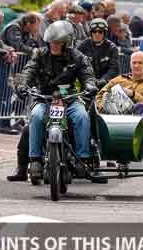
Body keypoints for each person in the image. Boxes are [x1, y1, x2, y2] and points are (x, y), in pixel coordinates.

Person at [9, 21, 97, 183]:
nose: (54, 46)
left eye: (58, 43)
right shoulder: (40, 54)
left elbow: (87, 74)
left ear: (66, 43)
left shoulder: (77, 56)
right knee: (35, 116)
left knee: (82, 116)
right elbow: (29, 70)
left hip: (69, 99)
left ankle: (82, 158)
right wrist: (22, 84)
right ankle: (35, 159)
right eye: (51, 42)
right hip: (45, 98)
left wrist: (90, 85)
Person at [77, 18, 120, 90]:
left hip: (105, 86)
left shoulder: (112, 47)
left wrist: (104, 79)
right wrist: (87, 80)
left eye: (100, 32)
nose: (97, 34)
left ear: (105, 33)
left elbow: (114, 69)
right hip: (87, 84)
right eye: (94, 31)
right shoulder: (84, 45)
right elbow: (75, 62)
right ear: (91, 33)